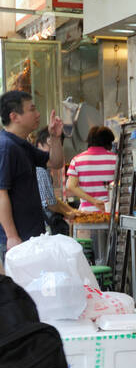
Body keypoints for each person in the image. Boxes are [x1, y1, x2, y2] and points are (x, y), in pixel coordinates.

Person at [0, 90, 64, 253]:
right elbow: (1, 193)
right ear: (15, 116)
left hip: (31, 237)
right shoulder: (6, 147)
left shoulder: (22, 145)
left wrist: (55, 137)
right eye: (32, 109)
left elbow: (55, 163)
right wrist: (12, 236)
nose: (37, 114)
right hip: (17, 241)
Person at [64, 126, 116, 209]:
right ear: (108, 143)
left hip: (86, 213)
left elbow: (71, 186)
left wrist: (93, 201)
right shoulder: (116, 159)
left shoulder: (77, 160)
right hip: (110, 210)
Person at [34, 130, 73, 237]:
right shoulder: (39, 170)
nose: (53, 151)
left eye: (57, 147)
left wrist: (71, 210)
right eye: (49, 146)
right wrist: (69, 213)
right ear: (39, 145)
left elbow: (52, 200)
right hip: (44, 230)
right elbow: (49, 204)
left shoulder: (44, 170)